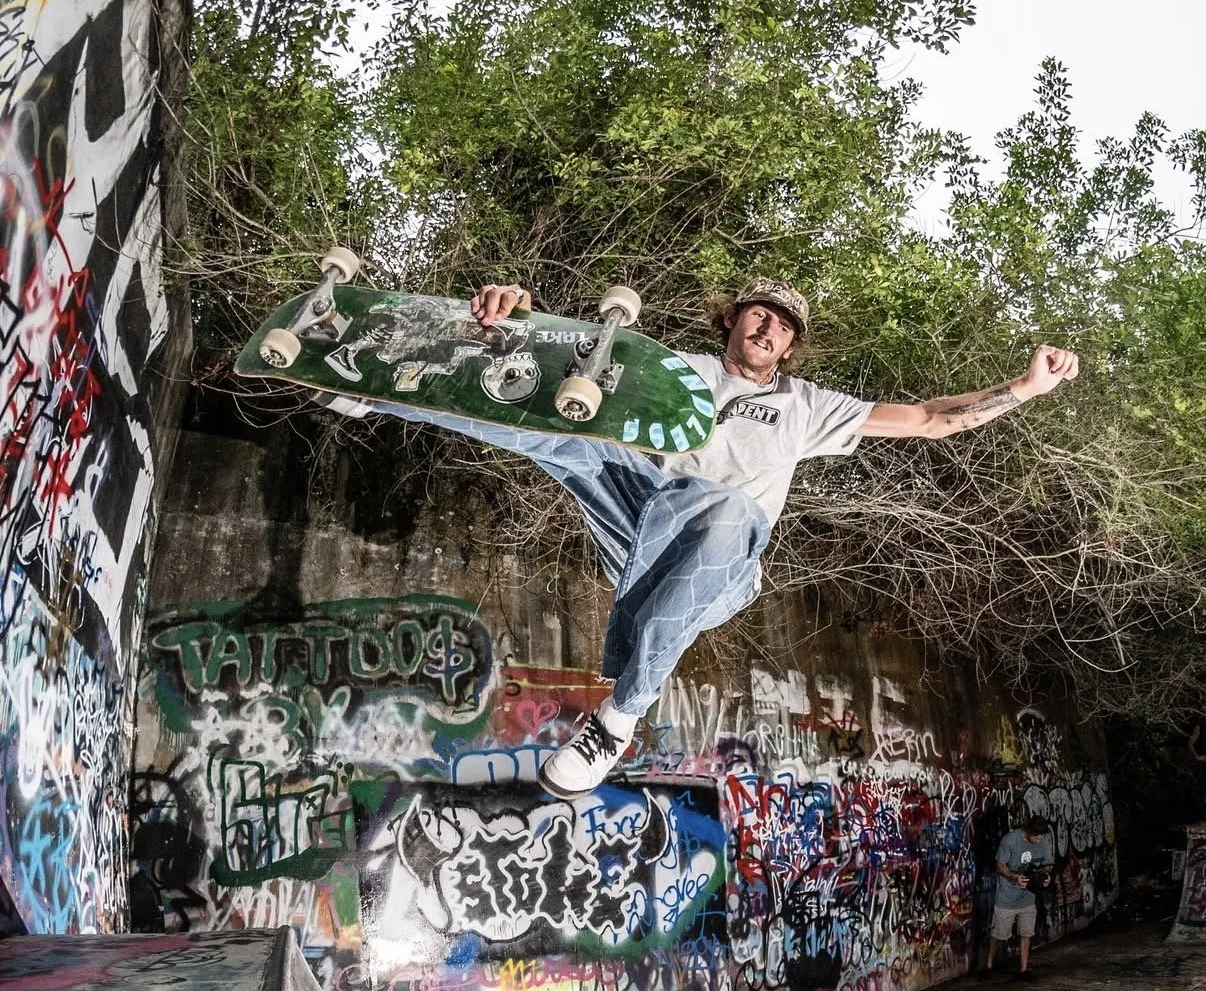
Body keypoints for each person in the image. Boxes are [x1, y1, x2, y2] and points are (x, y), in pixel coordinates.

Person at [314, 276, 1079, 796]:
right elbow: (554, 370)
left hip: (723, 560)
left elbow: (926, 420)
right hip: (643, 524)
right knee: (567, 438)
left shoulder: (808, 406)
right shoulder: (670, 372)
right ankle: (375, 394)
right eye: (757, 312)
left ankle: (618, 718)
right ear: (734, 321)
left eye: (783, 325)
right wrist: (516, 316)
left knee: (724, 508)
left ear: (790, 346)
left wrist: (1025, 387)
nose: (768, 326)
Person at [985, 813, 1055, 979]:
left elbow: (1047, 865)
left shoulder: (1043, 840)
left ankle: (1024, 970)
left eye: (1042, 837)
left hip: (1028, 897)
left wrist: (1046, 876)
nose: (1039, 841)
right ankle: (987, 966)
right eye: (1036, 837)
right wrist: (1015, 877)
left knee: (1026, 933)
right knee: (998, 934)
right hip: (1007, 896)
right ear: (1028, 832)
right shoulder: (1010, 841)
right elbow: (1000, 867)